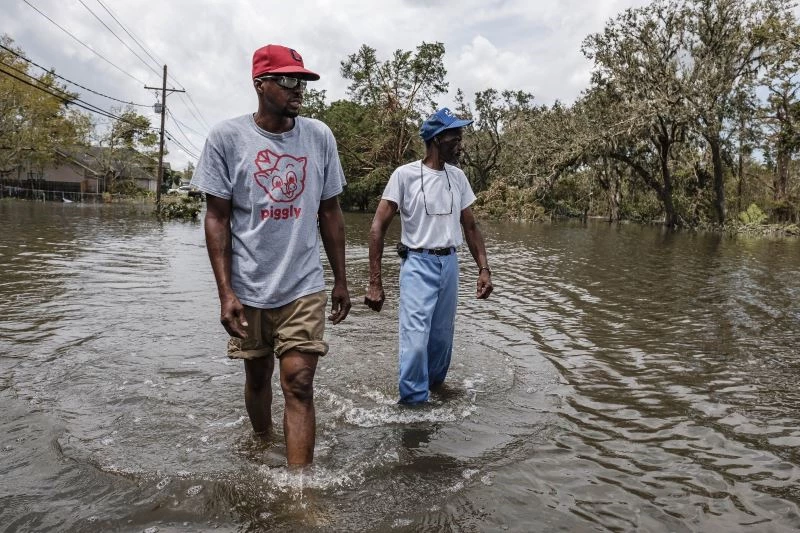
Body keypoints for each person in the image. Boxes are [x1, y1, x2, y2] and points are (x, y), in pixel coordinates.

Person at [191, 44, 351, 465]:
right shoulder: (227, 138)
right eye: (289, 80)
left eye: (302, 81)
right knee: (258, 376)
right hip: (249, 285)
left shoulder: (319, 137)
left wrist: (341, 279)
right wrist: (225, 292)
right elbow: (217, 218)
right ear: (261, 85)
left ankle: (300, 491)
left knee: (298, 383)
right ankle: (262, 445)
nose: (299, 89)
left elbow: (330, 212)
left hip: (303, 284)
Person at [364, 108, 493, 405]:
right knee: (416, 344)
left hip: (449, 264)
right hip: (417, 264)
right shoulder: (404, 176)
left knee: (440, 343)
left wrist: (484, 268)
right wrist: (375, 282)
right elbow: (377, 227)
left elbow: (470, 226)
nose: (460, 142)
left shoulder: (458, 177)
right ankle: (411, 405)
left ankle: (433, 392)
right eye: (455, 136)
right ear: (437, 139)